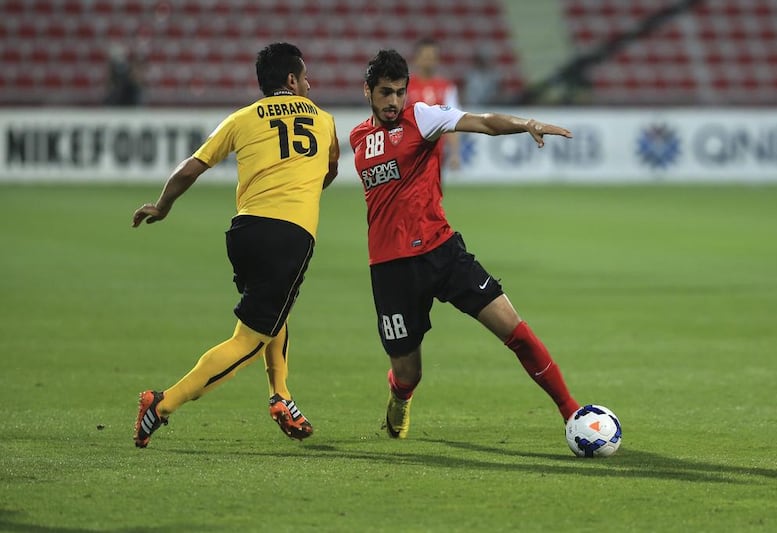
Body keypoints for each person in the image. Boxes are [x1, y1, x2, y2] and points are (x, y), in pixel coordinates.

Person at [349, 49, 580, 439]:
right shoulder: (357, 137)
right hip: (391, 269)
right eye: (385, 92)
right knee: (409, 373)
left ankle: (572, 413)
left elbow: (483, 122)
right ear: (367, 90)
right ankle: (400, 397)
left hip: (442, 252)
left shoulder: (422, 117)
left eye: (399, 92)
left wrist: (525, 123)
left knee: (515, 330)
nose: (393, 101)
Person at [131, 42, 340, 448]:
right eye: (305, 77)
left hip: (244, 232)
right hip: (290, 235)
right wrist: (302, 188)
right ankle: (161, 403)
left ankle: (282, 396)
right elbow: (329, 172)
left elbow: (190, 167)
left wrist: (162, 206)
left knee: (272, 309)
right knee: (248, 340)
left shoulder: (242, 118)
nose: (310, 84)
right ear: (292, 80)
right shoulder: (326, 121)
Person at [406, 38, 461, 171]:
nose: (429, 61)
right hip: (409, 151)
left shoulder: (447, 87)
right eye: (426, 57)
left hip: (436, 152)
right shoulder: (405, 86)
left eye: (433, 57)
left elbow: (452, 122)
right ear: (417, 59)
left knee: (433, 191)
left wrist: (455, 153)